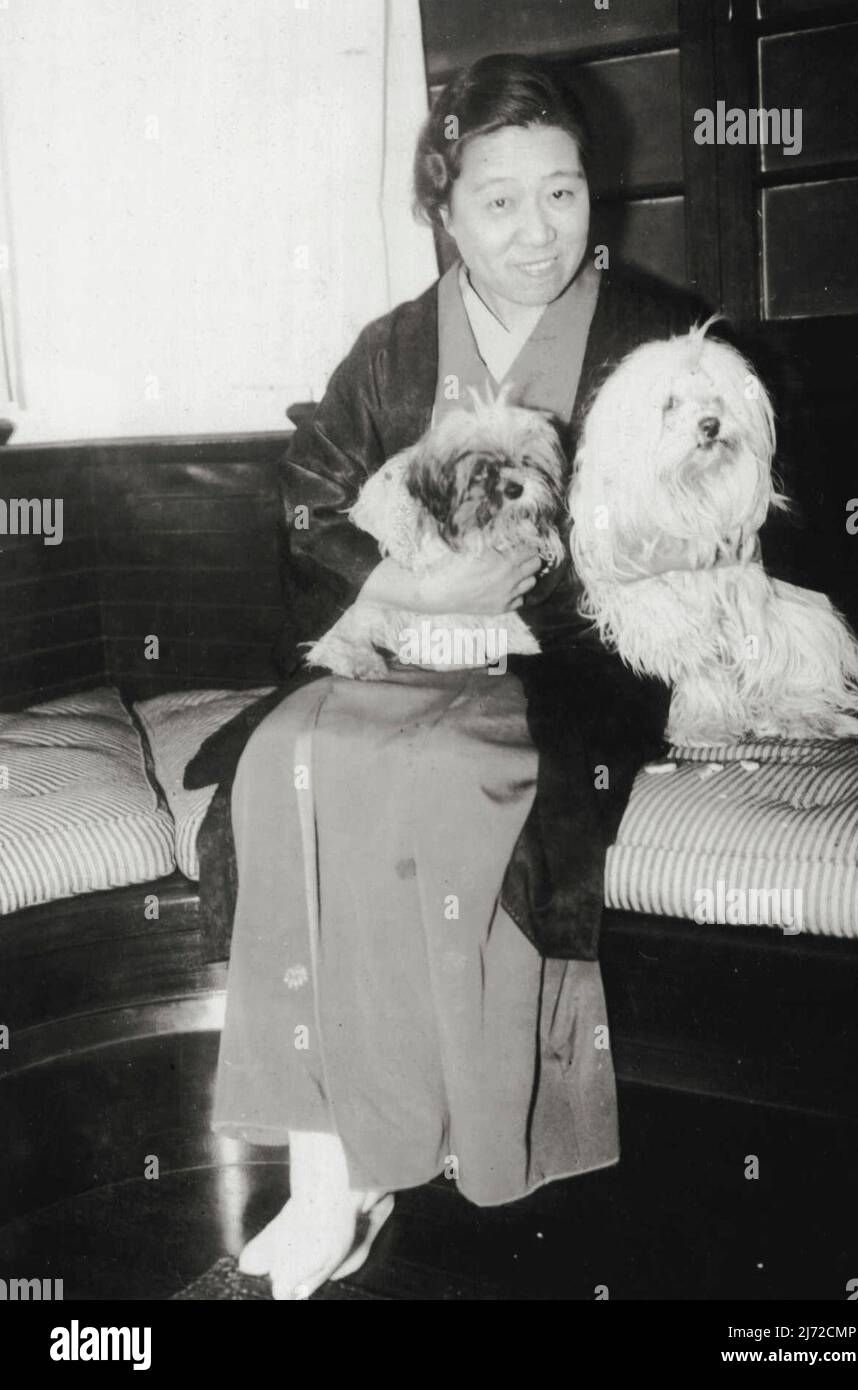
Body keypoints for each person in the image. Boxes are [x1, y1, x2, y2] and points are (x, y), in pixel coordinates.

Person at [205, 53, 708, 1300]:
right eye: (498, 201)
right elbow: (304, 503)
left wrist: (531, 591)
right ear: (444, 206)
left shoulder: (650, 335)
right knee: (288, 764)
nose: (538, 233)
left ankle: (423, 1147)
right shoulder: (393, 349)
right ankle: (329, 1175)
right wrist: (404, 591)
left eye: (565, 193)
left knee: (431, 774)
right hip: (402, 643)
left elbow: (694, 518)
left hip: (566, 664)